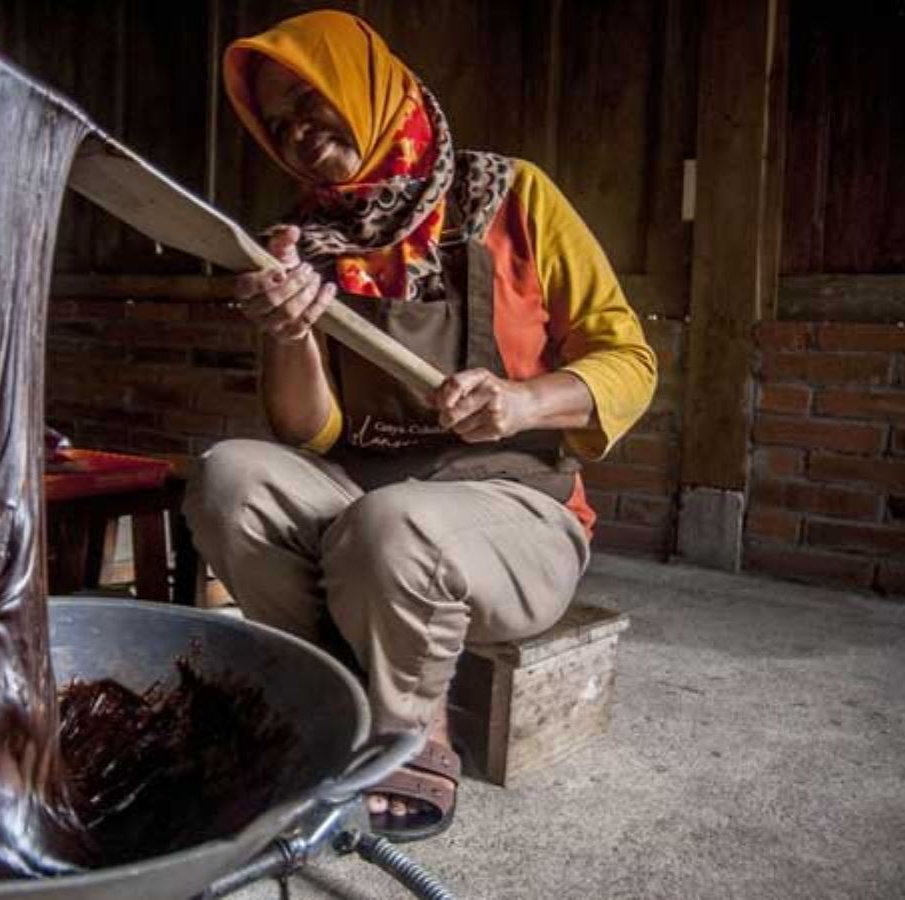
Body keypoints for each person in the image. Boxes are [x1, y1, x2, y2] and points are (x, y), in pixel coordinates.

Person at [182, 10, 657, 842]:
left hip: (514, 517)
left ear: (367, 88)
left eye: (309, 97)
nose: (296, 129)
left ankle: (404, 728)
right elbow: (312, 433)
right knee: (228, 477)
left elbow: (630, 360)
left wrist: (524, 401)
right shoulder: (306, 247)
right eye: (277, 119)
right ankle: (319, 694)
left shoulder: (514, 196)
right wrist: (290, 329)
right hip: (364, 502)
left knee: (395, 524)